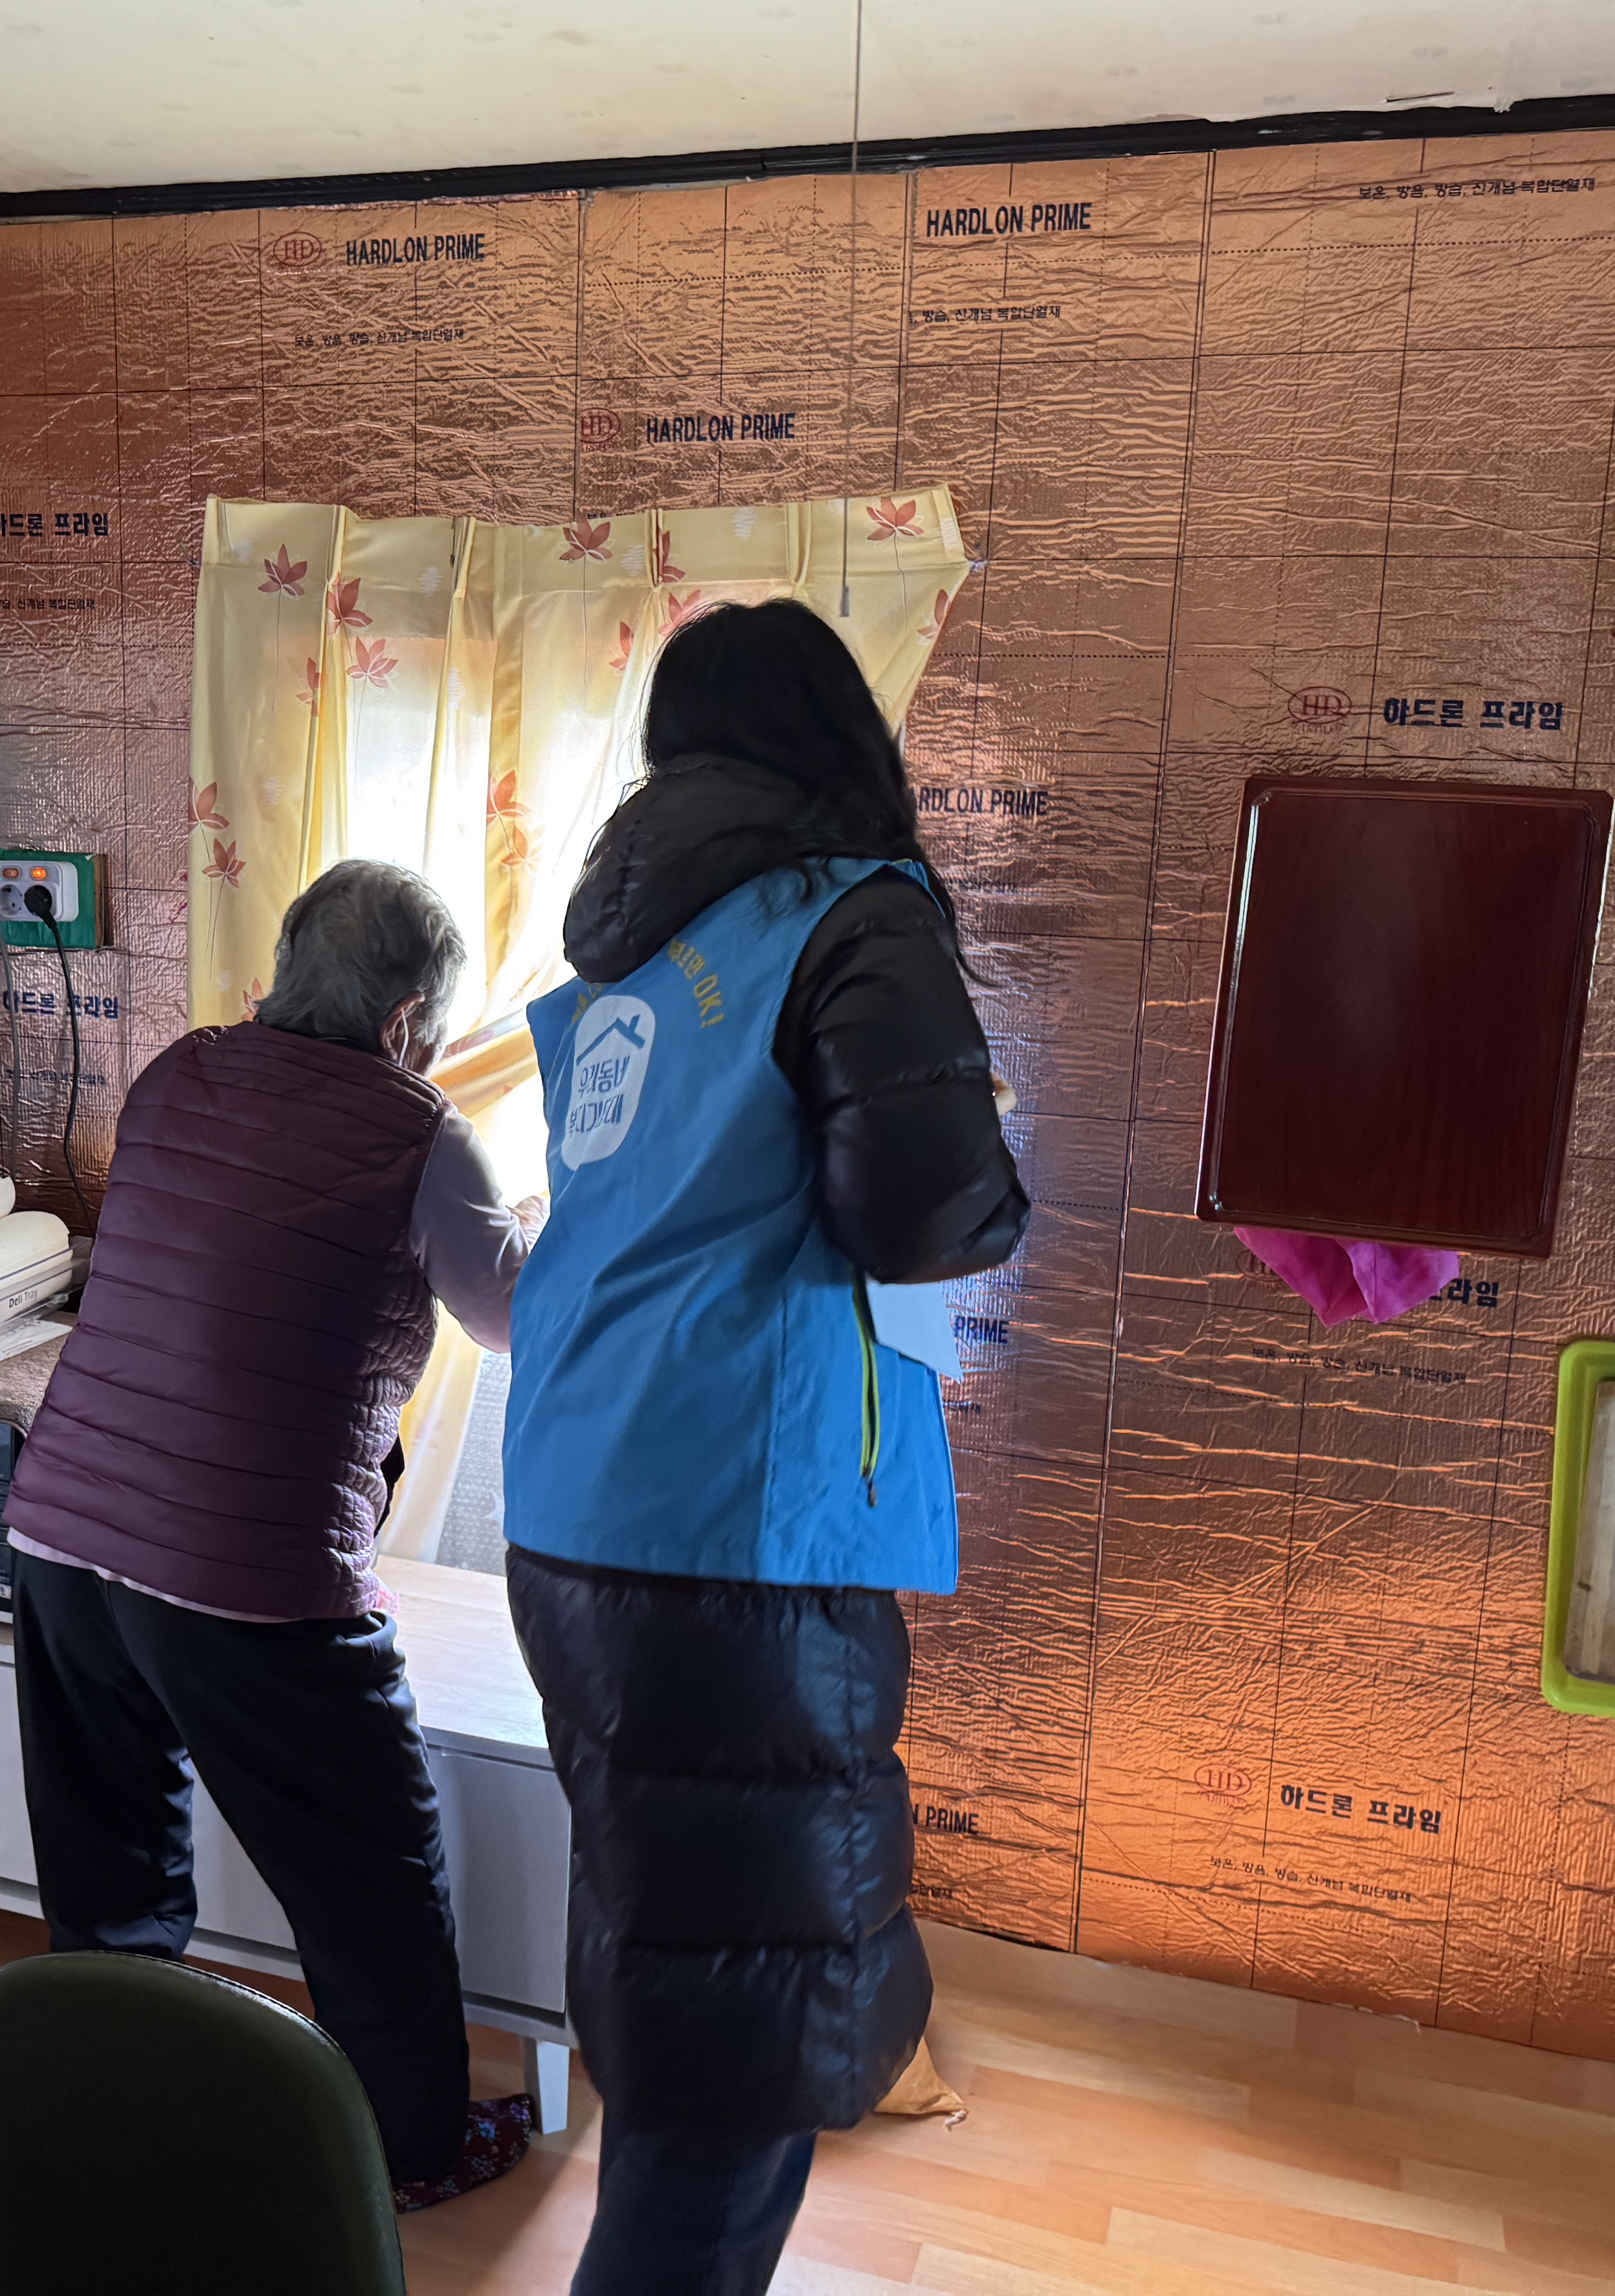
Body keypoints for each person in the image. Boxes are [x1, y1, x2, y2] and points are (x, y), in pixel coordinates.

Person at [503, 599, 1029, 2294]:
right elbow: (926, 1207)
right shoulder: (851, 908)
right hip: (736, 1514)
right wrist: (994, 1161)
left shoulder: (636, 941)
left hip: (576, 1487)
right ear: (837, 730)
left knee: (676, 1962)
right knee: (742, 2054)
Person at [2, 858, 540, 2210]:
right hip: (246, 1569)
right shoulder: (422, 1133)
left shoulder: (177, 1073)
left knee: (109, 1868)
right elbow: (511, 1322)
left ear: (290, 970)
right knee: (371, 1872)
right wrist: (538, 1223)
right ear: (409, 1018)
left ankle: (110, 2112)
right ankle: (412, 2153)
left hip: (64, 1531)